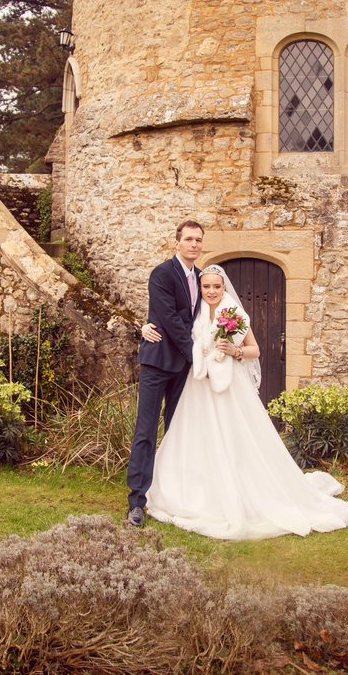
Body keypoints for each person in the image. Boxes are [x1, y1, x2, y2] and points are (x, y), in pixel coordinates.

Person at [140, 264, 348, 540]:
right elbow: (172, 322)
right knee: (194, 436)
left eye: (216, 287)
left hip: (229, 387)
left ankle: (241, 491)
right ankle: (191, 491)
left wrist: (235, 350)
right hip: (198, 385)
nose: (211, 291)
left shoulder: (233, 312)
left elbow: (255, 349)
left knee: (234, 439)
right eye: (206, 287)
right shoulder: (195, 310)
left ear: (224, 287)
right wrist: (145, 325)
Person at [126, 220, 205, 528]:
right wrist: (196, 354)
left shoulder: (203, 278)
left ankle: (173, 494)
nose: (194, 244)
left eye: (199, 239)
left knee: (176, 431)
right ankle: (136, 501)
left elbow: (203, 319)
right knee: (145, 432)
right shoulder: (161, 274)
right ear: (177, 243)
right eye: (189, 239)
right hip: (158, 363)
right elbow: (170, 320)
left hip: (183, 368)